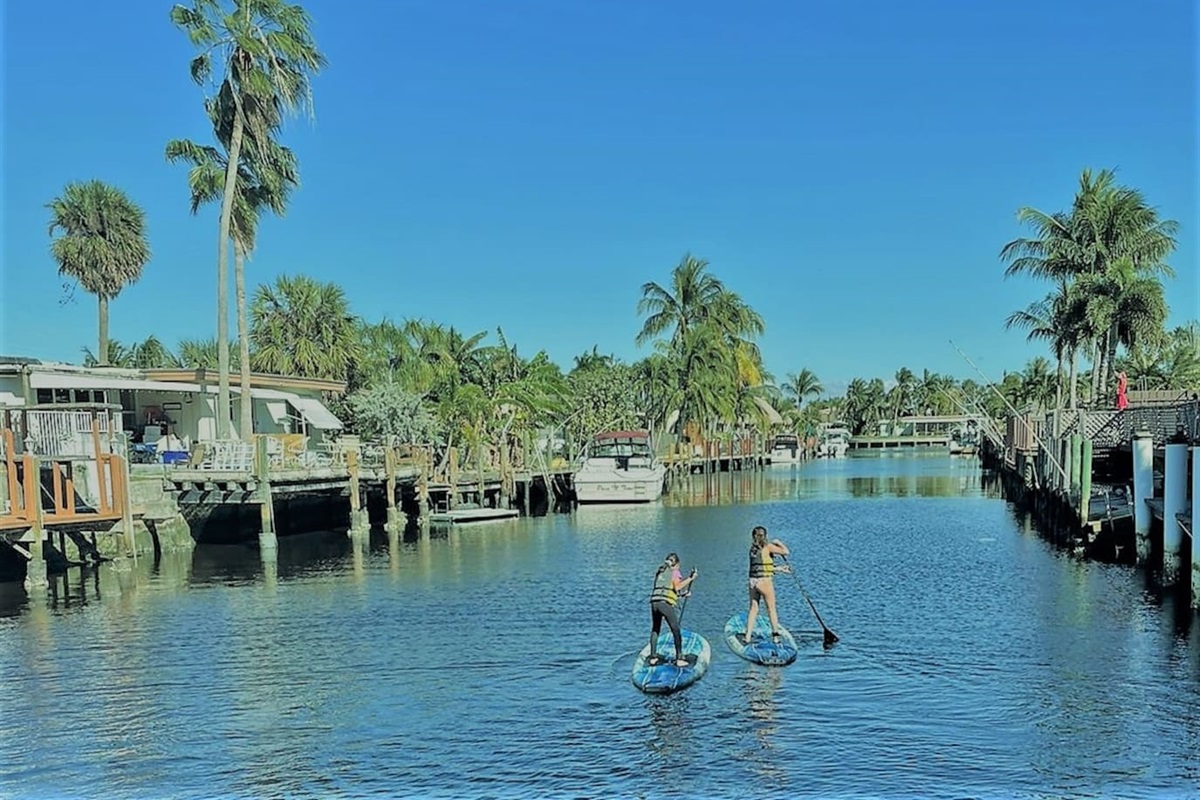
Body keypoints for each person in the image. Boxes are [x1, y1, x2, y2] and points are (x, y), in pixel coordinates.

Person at [647, 552, 697, 667]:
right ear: (677, 564)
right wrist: (690, 578)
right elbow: (677, 586)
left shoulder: (661, 571)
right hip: (665, 604)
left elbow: (667, 590)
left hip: (655, 603)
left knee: (655, 629)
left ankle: (653, 657)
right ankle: (679, 658)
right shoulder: (674, 572)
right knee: (676, 630)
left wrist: (683, 594)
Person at [743, 526, 790, 645]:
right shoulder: (768, 547)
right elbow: (786, 551)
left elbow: (761, 566)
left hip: (753, 582)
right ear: (765, 536)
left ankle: (747, 636)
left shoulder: (752, 549)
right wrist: (778, 542)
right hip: (765, 582)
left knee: (753, 609)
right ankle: (775, 637)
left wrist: (778, 569)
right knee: (771, 609)